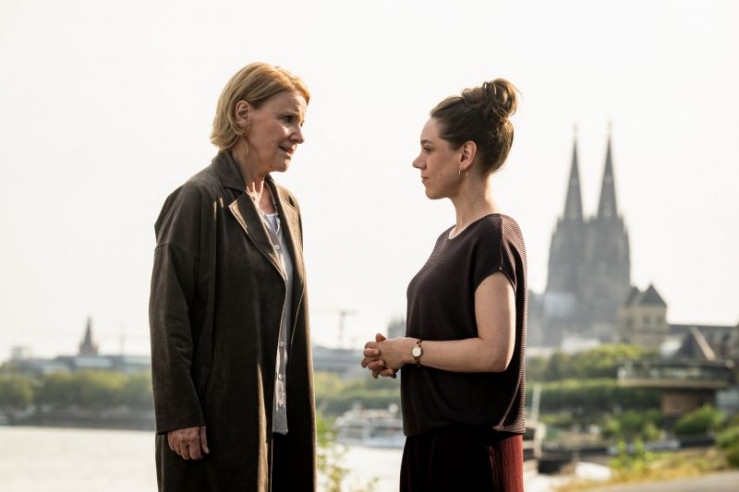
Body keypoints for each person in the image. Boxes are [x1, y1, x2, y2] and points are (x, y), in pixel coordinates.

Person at [149, 62, 315, 492]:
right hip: (212, 427)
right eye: (287, 119)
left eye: (301, 123)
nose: (299, 135)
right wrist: (180, 415)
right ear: (243, 114)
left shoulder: (289, 208)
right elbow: (169, 317)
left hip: (282, 423)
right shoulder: (197, 199)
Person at [361, 79, 527, 491]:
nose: (417, 162)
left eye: (429, 149)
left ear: (465, 154)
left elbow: (495, 352)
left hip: (471, 450)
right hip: (431, 445)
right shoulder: (448, 240)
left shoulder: (493, 235)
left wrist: (411, 350)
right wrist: (396, 355)